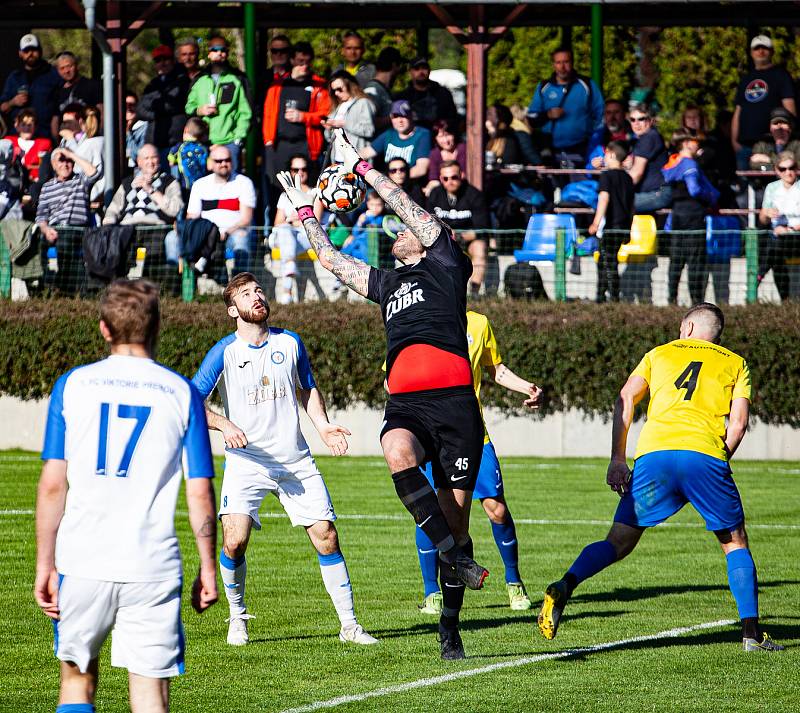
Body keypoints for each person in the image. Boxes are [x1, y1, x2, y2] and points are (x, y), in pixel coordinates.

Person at [277, 128, 491, 661]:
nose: (397, 238)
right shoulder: (386, 284)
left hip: (457, 405)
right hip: (409, 406)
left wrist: (362, 167)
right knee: (395, 450)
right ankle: (451, 555)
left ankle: (449, 625)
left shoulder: (446, 264)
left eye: (407, 235)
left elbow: (407, 208)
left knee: (459, 519)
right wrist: (306, 212)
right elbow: (328, 259)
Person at [537, 303, 784, 654]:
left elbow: (626, 396)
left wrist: (617, 459)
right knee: (734, 542)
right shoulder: (735, 362)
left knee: (618, 542)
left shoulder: (658, 353)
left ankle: (565, 584)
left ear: (686, 327)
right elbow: (739, 424)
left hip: (655, 456)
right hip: (705, 455)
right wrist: (715, 458)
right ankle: (751, 636)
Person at [35, 278, 219, 713]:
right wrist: (208, 566)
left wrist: (47, 564)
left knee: (77, 683)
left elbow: (51, 485)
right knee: (150, 695)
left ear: (103, 328)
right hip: (151, 565)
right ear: (157, 327)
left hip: (82, 561)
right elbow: (200, 492)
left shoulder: (73, 385)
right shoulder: (182, 393)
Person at [191, 272, 378, 647]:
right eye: (246, 294)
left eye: (258, 290)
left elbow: (307, 388)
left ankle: (350, 626)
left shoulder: (290, 342)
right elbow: (191, 400)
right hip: (247, 462)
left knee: (327, 536)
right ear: (233, 310)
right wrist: (224, 424)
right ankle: (237, 617)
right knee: (234, 542)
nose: (256, 297)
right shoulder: (224, 351)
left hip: (295, 461)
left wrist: (322, 426)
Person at [414, 310, 543, 615]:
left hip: (473, 434)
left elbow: (495, 369)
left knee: (495, 508)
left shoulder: (479, 322)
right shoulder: (417, 318)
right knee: (431, 510)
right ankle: (432, 591)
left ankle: (514, 583)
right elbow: (392, 378)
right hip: (432, 435)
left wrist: (527, 387)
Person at [261, 41, 329, 194]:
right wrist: (268, 141)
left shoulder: (318, 85)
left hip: (306, 144)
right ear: (292, 60)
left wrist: (303, 116)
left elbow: (325, 115)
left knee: (308, 188)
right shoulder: (278, 85)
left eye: (307, 62)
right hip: (280, 144)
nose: (304, 66)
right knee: (277, 188)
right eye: (300, 62)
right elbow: (268, 114)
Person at [662, 134, 719, 305]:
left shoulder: (673, 164)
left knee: (676, 260)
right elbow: (694, 189)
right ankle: (696, 302)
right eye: (695, 142)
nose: (698, 146)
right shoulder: (689, 163)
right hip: (693, 214)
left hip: (677, 214)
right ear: (686, 144)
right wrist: (708, 196)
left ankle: (672, 299)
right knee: (695, 260)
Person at [36, 146, 100, 292]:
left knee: (66, 244)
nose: (65, 164)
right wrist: (46, 230)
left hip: (78, 230)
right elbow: (41, 215)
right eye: (61, 160)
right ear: (53, 164)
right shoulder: (47, 187)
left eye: (68, 161)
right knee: (41, 242)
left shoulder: (80, 181)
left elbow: (94, 173)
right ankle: (49, 286)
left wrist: (71, 154)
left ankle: (66, 288)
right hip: (55, 229)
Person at [185, 144, 255, 276]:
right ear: (211, 163)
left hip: (234, 232)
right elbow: (192, 217)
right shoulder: (199, 185)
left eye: (227, 160)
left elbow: (246, 219)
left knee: (241, 240)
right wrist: (208, 233)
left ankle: (241, 283)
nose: (223, 163)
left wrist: (226, 232)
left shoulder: (244, 183)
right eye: (218, 161)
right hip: (207, 234)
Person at [185, 36, 252, 173]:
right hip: (202, 144)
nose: (219, 53)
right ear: (209, 53)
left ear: (227, 53)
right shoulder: (200, 80)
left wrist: (237, 140)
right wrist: (200, 110)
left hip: (229, 143)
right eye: (215, 50)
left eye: (222, 50)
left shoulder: (236, 79)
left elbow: (245, 112)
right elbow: (188, 108)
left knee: (231, 187)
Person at [526, 47, 604, 161]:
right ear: (553, 65)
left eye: (566, 62)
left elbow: (600, 114)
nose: (562, 67)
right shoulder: (544, 87)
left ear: (572, 63)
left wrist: (592, 139)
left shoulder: (587, 85)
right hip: (551, 150)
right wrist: (547, 115)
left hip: (581, 149)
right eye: (558, 62)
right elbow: (531, 117)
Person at [426, 161, 490, 297]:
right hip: (443, 239)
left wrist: (459, 236)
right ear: (440, 179)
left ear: (461, 175)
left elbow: (482, 229)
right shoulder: (435, 194)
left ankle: (474, 292)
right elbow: (428, 223)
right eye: (445, 178)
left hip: (469, 238)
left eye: (454, 177)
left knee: (480, 248)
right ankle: (437, 294)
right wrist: (447, 236)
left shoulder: (475, 195)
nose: (450, 181)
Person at [732, 35, 796, 170]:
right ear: (751, 52)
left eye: (764, 48)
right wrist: (734, 141)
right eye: (757, 48)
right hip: (746, 145)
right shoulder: (746, 78)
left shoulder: (781, 75)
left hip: (771, 146)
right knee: (746, 187)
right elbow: (738, 111)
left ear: (772, 51)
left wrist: (790, 139)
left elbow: (789, 108)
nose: (760, 51)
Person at [271, 154, 325, 303]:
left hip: (307, 237)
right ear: (290, 171)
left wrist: (291, 220)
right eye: (295, 169)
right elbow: (277, 223)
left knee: (285, 234)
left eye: (303, 169)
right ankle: (288, 286)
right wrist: (296, 220)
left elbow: (315, 224)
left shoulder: (315, 193)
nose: (300, 173)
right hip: (288, 235)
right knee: (284, 232)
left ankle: (287, 289)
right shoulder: (284, 196)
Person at [588, 140, 634, 303]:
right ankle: (606, 296)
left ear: (612, 155)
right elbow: (631, 206)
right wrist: (629, 228)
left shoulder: (606, 176)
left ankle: (607, 297)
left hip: (610, 227)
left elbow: (604, 199)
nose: (604, 158)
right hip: (623, 227)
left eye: (606, 154)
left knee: (606, 263)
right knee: (609, 261)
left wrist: (595, 222)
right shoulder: (628, 179)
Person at [103, 143, 183, 228]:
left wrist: (151, 190)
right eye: (146, 158)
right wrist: (109, 223)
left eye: (154, 157)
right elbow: (113, 209)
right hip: (127, 229)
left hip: (156, 228)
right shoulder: (127, 183)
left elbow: (175, 210)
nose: (150, 162)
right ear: (139, 161)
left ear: (159, 159)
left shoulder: (169, 181)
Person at [137, 45, 191, 170]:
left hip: (174, 144)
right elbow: (140, 110)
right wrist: (156, 114)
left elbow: (173, 104)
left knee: (174, 184)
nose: (162, 63)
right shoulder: (152, 84)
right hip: (154, 144)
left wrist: (155, 107)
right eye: (158, 60)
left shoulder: (182, 81)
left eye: (165, 59)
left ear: (173, 60)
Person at [757, 150, 800, 301]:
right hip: (777, 236)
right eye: (783, 169)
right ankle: (785, 300)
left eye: (791, 168)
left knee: (774, 249)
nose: (788, 172)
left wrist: (790, 229)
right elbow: (762, 220)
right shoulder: (772, 188)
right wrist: (767, 213)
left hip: (796, 235)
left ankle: (757, 278)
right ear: (777, 170)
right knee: (774, 251)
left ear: (797, 169)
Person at [0, 33, 61, 140]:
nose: (30, 54)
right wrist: (13, 102)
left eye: (34, 50)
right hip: (18, 136)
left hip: (44, 136)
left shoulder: (53, 74)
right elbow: (2, 107)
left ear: (40, 51)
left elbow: (61, 104)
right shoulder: (14, 77)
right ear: (20, 53)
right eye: (26, 51)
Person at [363, 99, 431, 180]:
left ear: (411, 116)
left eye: (404, 116)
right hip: (388, 184)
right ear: (391, 118)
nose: (400, 121)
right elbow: (365, 153)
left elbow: (421, 169)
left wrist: (392, 178)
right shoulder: (390, 134)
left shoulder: (422, 134)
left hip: (410, 185)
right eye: (396, 116)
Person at [57, 103, 105, 202]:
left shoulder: (89, 143)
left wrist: (70, 140)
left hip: (90, 194)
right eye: (64, 122)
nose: (66, 125)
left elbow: (76, 168)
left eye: (69, 122)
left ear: (80, 121)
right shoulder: (105, 140)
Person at [323, 71, 375, 161]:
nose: (336, 93)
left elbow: (369, 130)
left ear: (349, 85)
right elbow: (329, 138)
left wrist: (344, 124)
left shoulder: (363, 103)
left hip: (356, 160)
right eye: (334, 90)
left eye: (339, 89)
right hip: (337, 159)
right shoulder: (338, 106)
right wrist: (328, 128)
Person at [628, 104, 671, 212]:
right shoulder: (645, 138)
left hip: (658, 193)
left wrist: (618, 189)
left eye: (641, 119)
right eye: (632, 120)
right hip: (655, 192)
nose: (636, 123)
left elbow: (636, 173)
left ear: (651, 121)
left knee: (617, 202)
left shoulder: (649, 138)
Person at [395, 57, 458, 131]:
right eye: (417, 69)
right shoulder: (402, 97)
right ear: (410, 72)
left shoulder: (443, 94)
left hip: (437, 138)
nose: (421, 72)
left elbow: (454, 118)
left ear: (429, 70)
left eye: (424, 68)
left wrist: (446, 123)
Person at [53, 51, 102, 124]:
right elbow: (55, 119)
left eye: (69, 66)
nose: (66, 71)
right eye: (62, 68)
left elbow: (101, 111)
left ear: (76, 66)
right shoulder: (57, 92)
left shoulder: (92, 85)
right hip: (66, 133)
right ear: (58, 71)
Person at [364, 47, 405, 134]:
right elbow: (367, 121)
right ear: (394, 65)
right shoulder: (373, 90)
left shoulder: (381, 89)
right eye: (400, 65)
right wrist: (395, 117)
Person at [167, 116, 210, 200]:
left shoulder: (180, 147)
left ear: (185, 130)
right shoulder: (204, 148)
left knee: (186, 201)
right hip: (202, 183)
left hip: (185, 185)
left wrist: (175, 161)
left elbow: (171, 161)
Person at [7, 108, 52, 182]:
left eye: (30, 125)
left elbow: (46, 167)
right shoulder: (9, 141)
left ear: (35, 127)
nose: (27, 128)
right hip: (11, 181)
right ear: (17, 126)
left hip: (34, 182)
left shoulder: (44, 144)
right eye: (23, 124)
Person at [587, 98, 633, 168]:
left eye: (616, 112)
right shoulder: (596, 138)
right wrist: (593, 166)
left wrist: (634, 164)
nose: (612, 117)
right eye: (608, 113)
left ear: (624, 115)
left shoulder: (635, 137)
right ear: (604, 116)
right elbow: (587, 167)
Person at [425, 120, 466, 194]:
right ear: (435, 139)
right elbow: (433, 178)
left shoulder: (462, 149)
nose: (446, 140)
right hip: (442, 190)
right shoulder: (434, 154)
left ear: (454, 134)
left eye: (448, 135)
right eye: (441, 136)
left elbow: (463, 175)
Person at [125, 92, 148, 170]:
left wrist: (128, 133)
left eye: (131, 105)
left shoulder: (144, 127)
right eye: (125, 105)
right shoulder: (114, 127)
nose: (128, 108)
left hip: (137, 170)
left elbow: (138, 155)